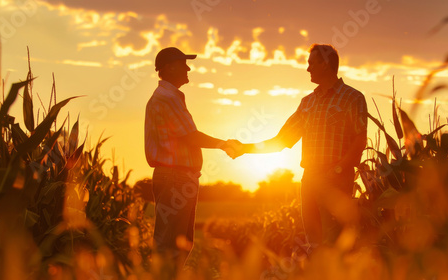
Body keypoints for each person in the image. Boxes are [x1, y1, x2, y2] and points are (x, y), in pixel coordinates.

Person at [230, 44, 367, 249]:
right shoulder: (307, 103)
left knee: (334, 243)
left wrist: (338, 169)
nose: (308, 69)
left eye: (312, 63)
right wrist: (244, 148)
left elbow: (360, 139)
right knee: (313, 244)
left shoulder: (352, 98)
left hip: (337, 180)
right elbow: (281, 140)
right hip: (310, 179)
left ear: (326, 64)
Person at [145, 47, 233, 270]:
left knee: (179, 245)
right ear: (167, 68)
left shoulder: (167, 97)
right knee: (170, 248)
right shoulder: (168, 98)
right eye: (182, 63)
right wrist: (224, 144)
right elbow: (191, 136)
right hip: (176, 177)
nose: (188, 67)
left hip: (177, 177)